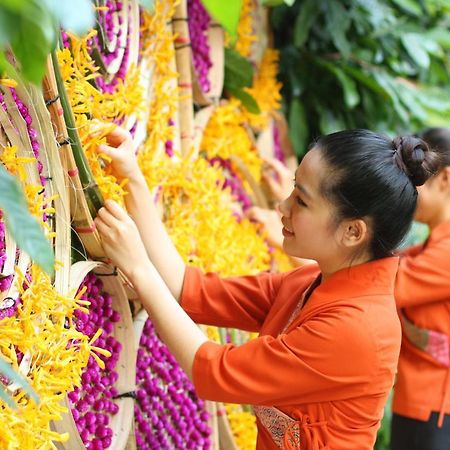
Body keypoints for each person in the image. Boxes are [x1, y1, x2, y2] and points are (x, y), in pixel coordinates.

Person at [94, 127, 439, 449]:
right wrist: (133, 181)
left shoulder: (355, 329)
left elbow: (213, 371)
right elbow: (189, 289)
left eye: (301, 201)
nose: (282, 207)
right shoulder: (311, 283)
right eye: (293, 189)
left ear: (352, 232)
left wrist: (138, 267)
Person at [391, 128, 450, 450]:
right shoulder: (429, 248)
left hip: (434, 412)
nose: (407, 192)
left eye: (417, 180)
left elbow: (377, 284)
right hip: (423, 407)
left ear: (445, 180)